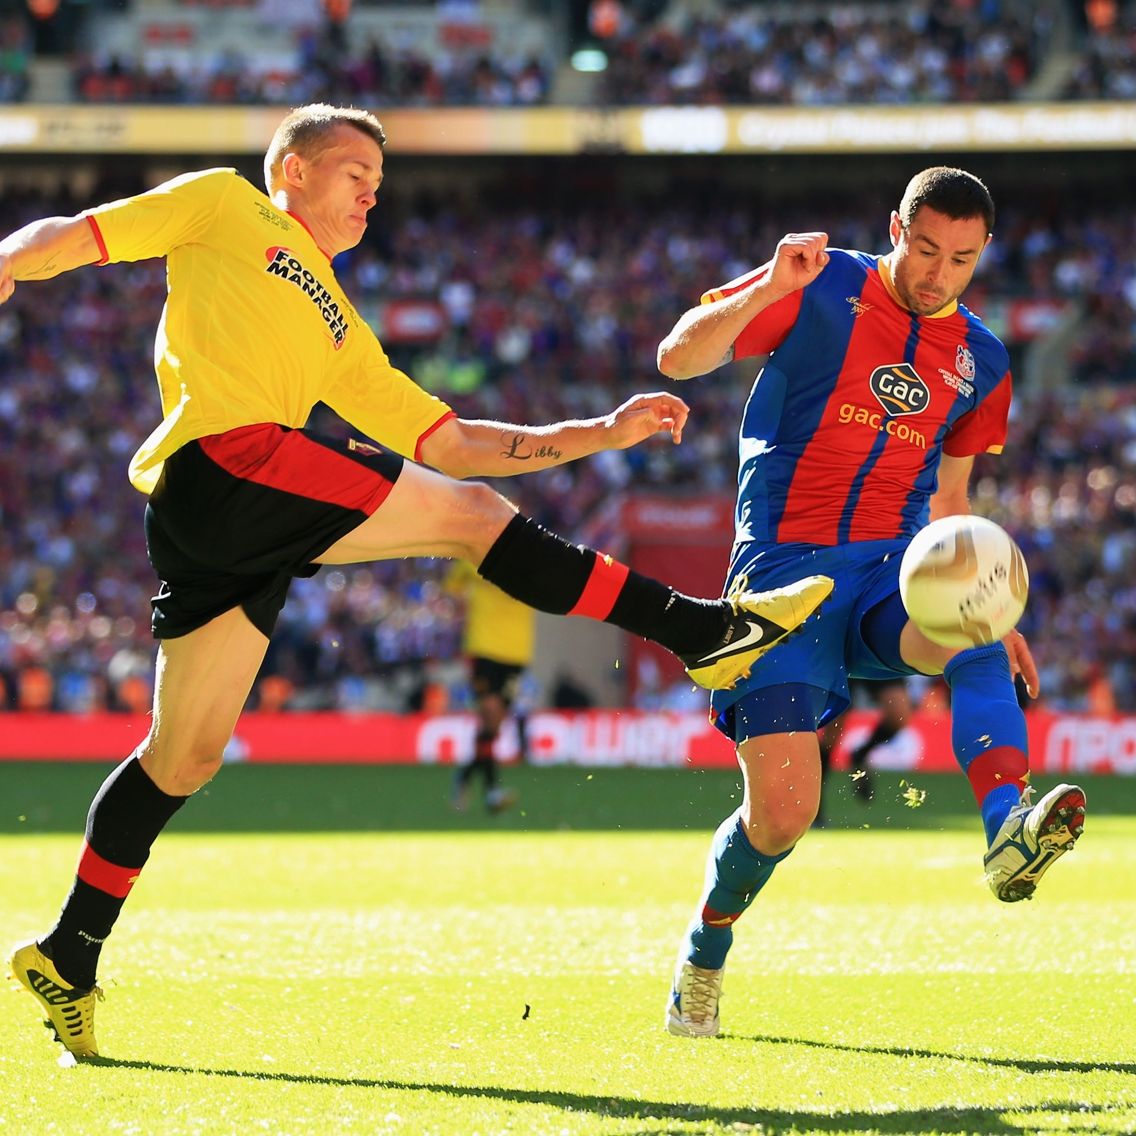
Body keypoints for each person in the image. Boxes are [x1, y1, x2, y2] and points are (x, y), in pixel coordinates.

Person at [0, 103, 833, 1061]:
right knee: (470, 518)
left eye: (379, 186)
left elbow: (453, 441)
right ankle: (700, 631)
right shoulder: (226, 206)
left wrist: (599, 432)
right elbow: (85, 232)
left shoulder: (338, 323)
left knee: (181, 758)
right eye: (355, 174)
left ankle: (69, 953)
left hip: (226, 529)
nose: (371, 196)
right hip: (227, 463)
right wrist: (11, 258)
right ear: (294, 169)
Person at [656, 167, 1087, 1039]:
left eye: (960, 259)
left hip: (892, 566)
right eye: (924, 249)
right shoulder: (818, 281)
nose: (937, 273)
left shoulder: (982, 359)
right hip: (781, 576)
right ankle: (705, 952)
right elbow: (678, 358)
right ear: (896, 227)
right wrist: (767, 286)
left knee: (971, 618)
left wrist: (995, 606)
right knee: (783, 817)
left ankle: (1007, 825)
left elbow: (951, 501)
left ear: (983, 254)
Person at [445, 558, 533, 813]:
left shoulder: (533, 558)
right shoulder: (472, 557)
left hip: (516, 653)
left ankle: (466, 777)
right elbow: (451, 590)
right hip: (482, 648)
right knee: (491, 710)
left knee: (492, 726)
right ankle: (492, 790)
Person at [814, 676, 916, 825]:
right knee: (832, 729)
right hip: (841, 663)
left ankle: (861, 754)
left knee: (898, 715)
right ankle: (815, 805)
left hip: (878, 660)